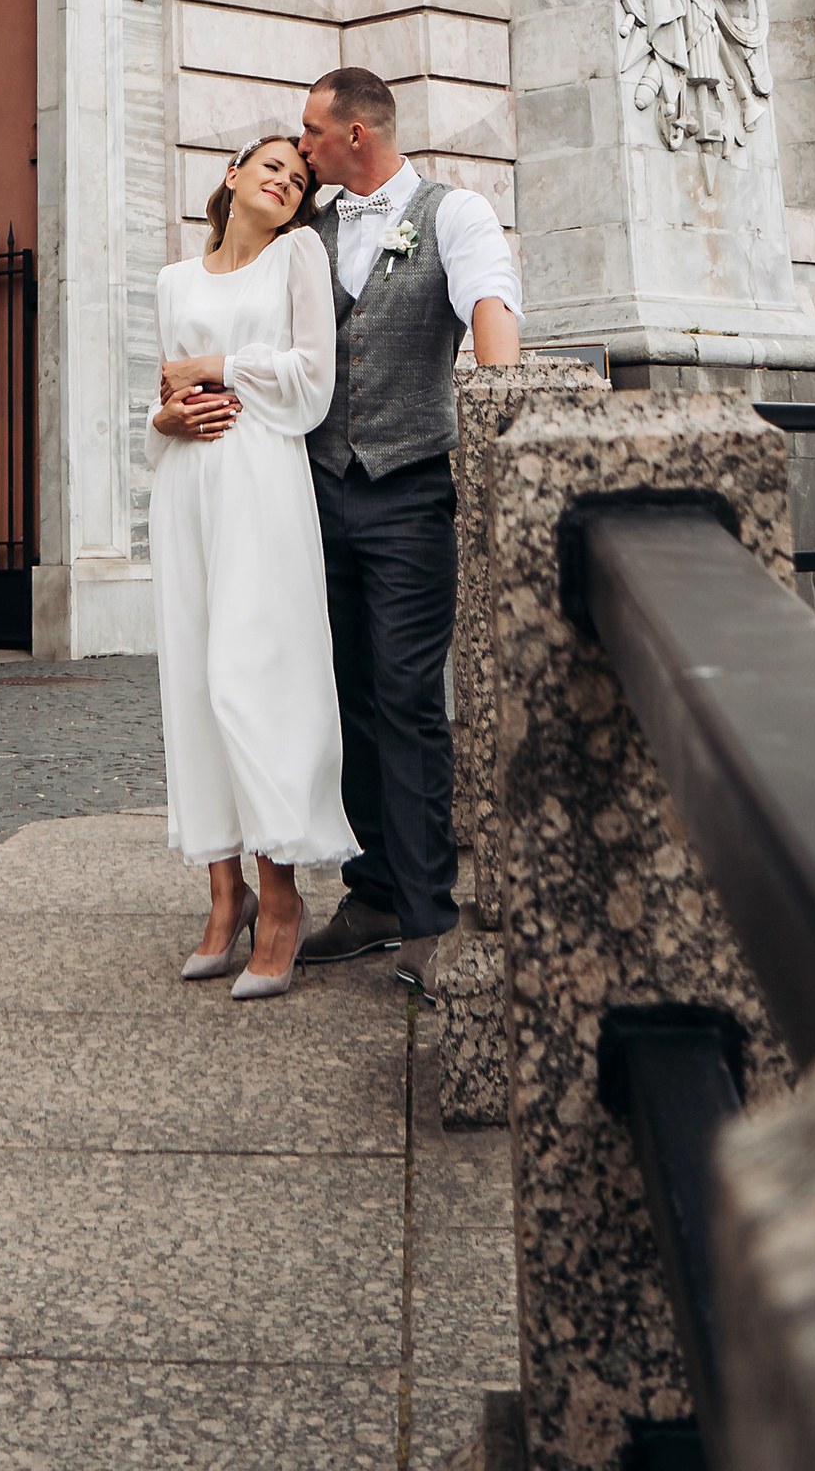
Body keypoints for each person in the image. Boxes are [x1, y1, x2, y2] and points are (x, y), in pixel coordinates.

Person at [293, 67, 521, 980]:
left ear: (358, 134)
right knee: (344, 696)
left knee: (407, 696)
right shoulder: (308, 228)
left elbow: (490, 307)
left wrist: (503, 413)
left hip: (409, 488)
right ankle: (375, 888)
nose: (301, 145)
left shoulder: (452, 214)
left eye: (313, 131)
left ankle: (429, 918)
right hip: (314, 490)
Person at [147, 133, 354, 999]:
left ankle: (281, 900)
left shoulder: (297, 255)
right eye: (272, 165)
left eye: (299, 178)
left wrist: (219, 365)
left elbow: (312, 385)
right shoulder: (174, 281)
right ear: (232, 176)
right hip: (186, 486)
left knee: (250, 677)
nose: (286, 180)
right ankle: (222, 891)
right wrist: (163, 419)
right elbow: (165, 397)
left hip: (263, 482)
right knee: (195, 685)